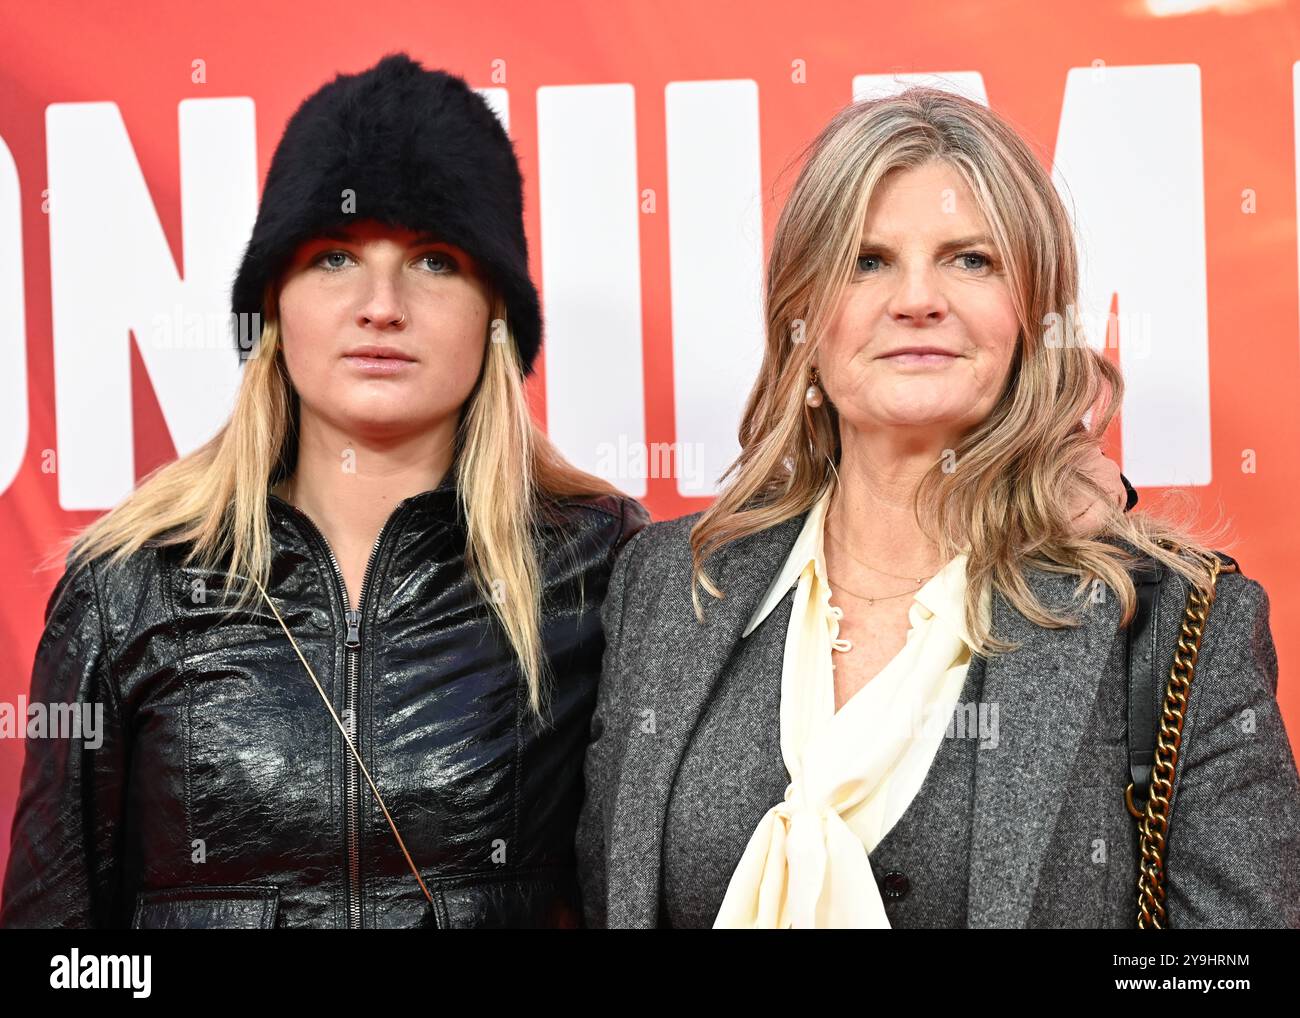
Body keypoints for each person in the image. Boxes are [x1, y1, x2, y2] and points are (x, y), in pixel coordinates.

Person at [576, 87, 1300, 928]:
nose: (918, 298)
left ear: (1033, 317)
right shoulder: (664, 587)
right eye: (868, 260)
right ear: (802, 320)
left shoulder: (1174, 621)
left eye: (971, 260)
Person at [0, 53, 647, 929]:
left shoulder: (602, 569)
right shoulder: (126, 587)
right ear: (273, 306)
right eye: (335, 256)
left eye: (435, 261)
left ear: (497, 314)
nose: (381, 305)